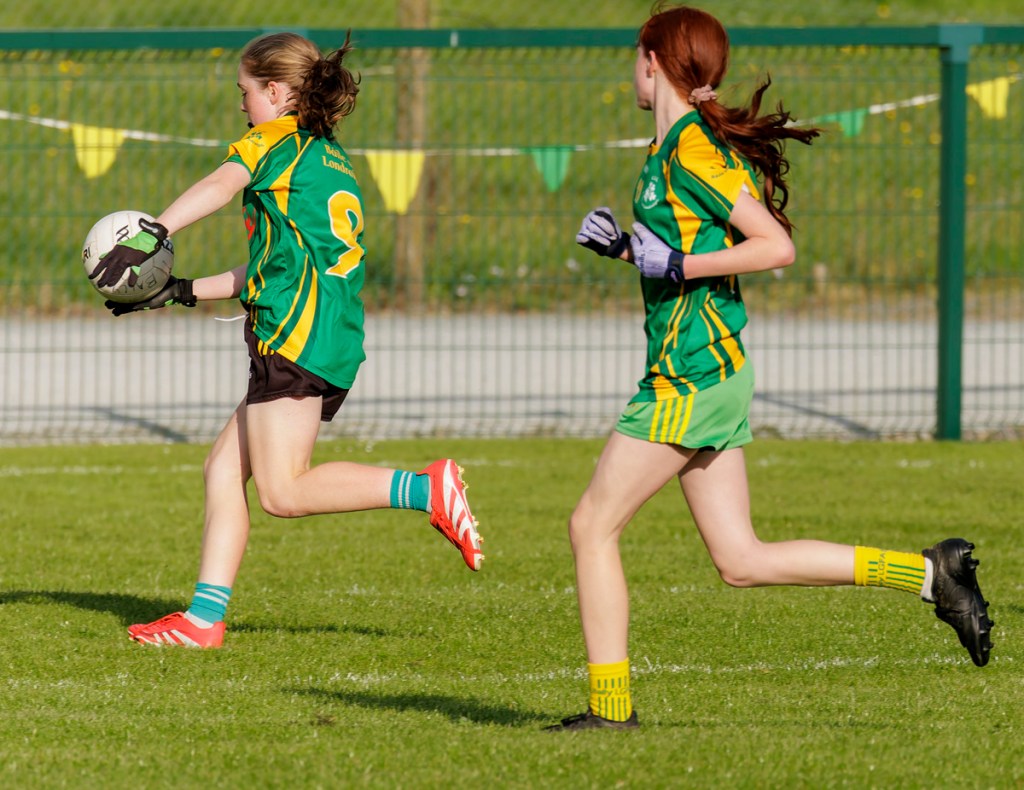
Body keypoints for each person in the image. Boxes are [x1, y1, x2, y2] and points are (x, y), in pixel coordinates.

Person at [546, 4, 993, 731]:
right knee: (741, 560)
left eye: (636, 56)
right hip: (707, 368)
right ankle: (930, 574)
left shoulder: (692, 150)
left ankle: (611, 709)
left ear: (652, 62)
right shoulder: (671, 148)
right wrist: (628, 250)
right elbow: (685, 250)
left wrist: (675, 262)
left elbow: (774, 246)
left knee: (590, 525)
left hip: (691, 373)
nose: (632, 69)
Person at [91, 31, 484, 649]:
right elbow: (270, 268)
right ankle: (203, 620)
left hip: (296, 337)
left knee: (283, 491)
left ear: (276, 92)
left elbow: (221, 185)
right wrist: (180, 290)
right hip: (322, 332)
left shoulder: (273, 140)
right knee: (224, 468)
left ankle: (426, 488)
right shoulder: (326, 155)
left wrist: (152, 232)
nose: (241, 104)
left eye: (245, 91)